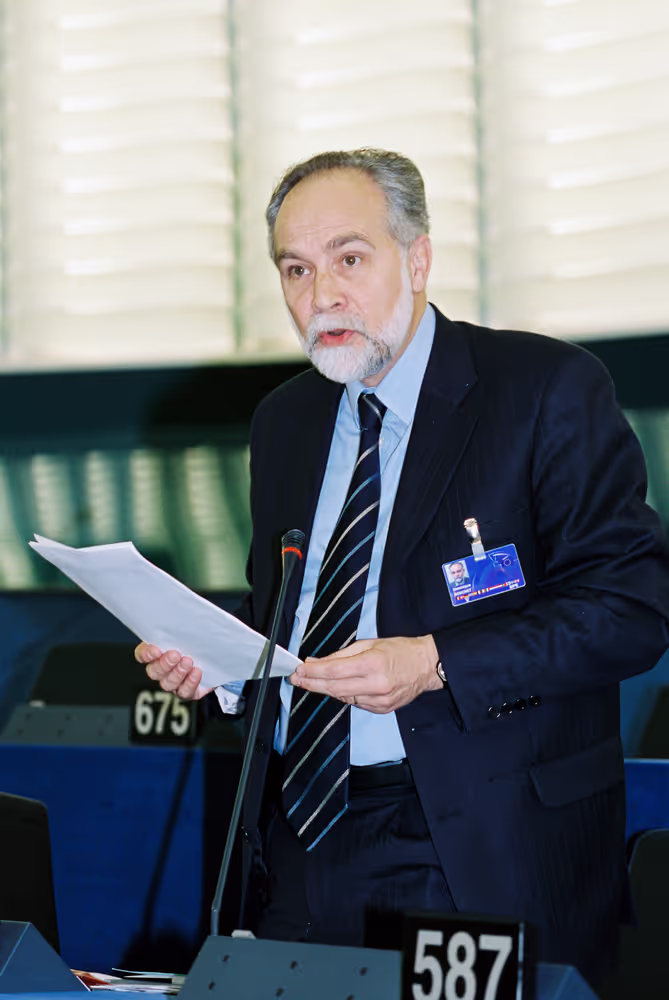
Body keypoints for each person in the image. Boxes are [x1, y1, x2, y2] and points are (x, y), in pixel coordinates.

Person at [135, 148, 669, 985]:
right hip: (303, 832)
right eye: (296, 270)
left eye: (350, 259)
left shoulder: (541, 389)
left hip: (477, 838)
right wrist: (222, 663)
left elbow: (631, 605)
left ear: (417, 258)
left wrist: (433, 662)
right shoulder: (285, 420)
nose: (321, 297)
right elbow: (291, 606)